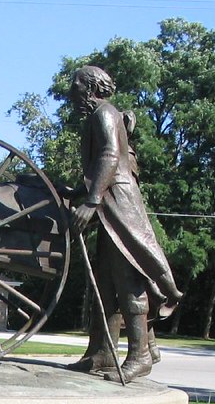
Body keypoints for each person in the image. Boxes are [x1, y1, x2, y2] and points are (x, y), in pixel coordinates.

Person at [66, 65, 182, 383]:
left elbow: (109, 156)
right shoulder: (96, 116)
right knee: (105, 283)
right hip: (107, 202)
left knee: (128, 277)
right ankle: (102, 351)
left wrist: (90, 201)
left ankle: (141, 355)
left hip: (118, 203)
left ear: (90, 88)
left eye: (75, 85)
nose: (71, 92)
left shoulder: (105, 112)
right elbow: (97, 166)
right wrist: (79, 192)